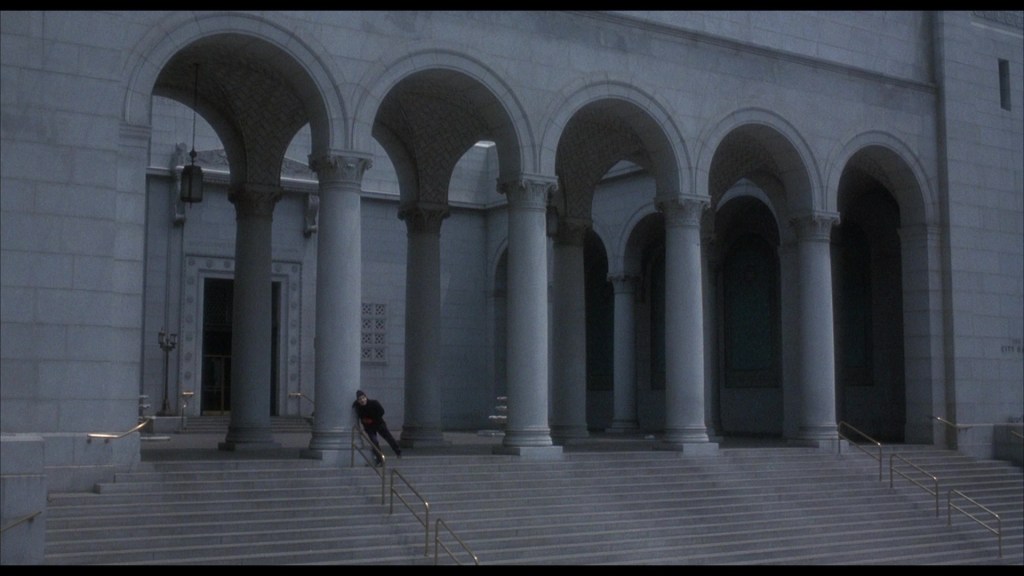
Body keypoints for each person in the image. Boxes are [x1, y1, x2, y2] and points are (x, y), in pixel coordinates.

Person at [352, 389, 402, 465]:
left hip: (379, 424)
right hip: (369, 428)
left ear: (366, 397)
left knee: (388, 438)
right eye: (360, 399)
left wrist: (373, 419)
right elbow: (356, 407)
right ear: (358, 401)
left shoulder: (374, 403)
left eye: (363, 398)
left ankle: (398, 451)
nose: (362, 400)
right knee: (374, 442)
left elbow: (382, 411)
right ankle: (380, 459)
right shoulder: (358, 406)